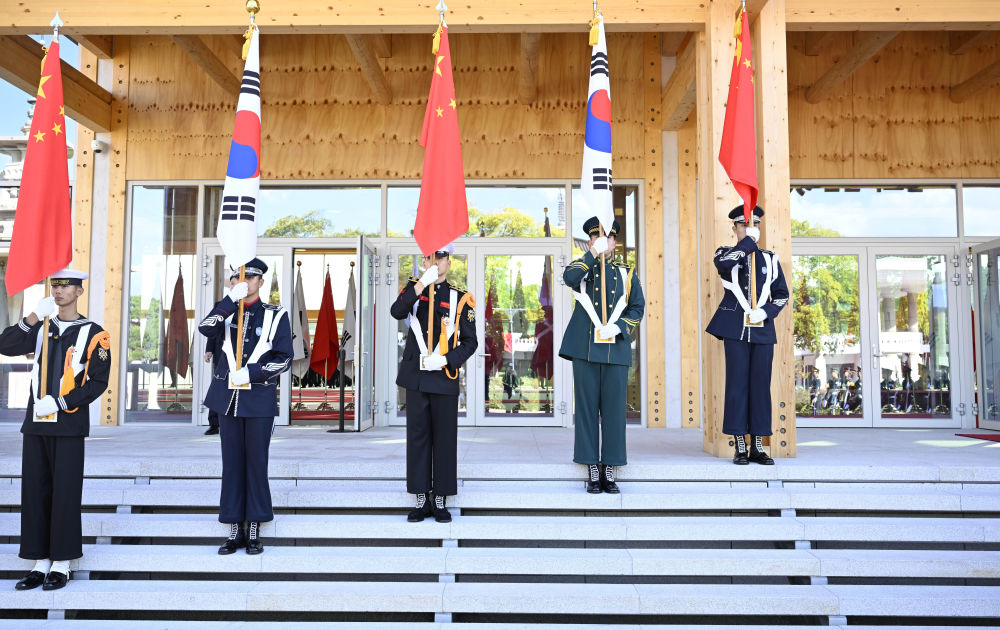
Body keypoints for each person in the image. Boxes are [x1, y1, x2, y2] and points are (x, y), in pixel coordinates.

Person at [0, 268, 111, 591]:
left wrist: (62, 402)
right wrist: (33, 316)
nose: (59, 290)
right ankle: (39, 562)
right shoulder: (41, 326)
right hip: (36, 423)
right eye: (55, 285)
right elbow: (5, 344)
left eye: (66, 286)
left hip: (68, 424)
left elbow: (98, 382)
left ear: (79, 291)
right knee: (34, 493)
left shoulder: (94, 333)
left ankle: (62, 563)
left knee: (65, 493)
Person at [198, 258, 292, 555]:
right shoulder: (224, 312)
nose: (244, 282)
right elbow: (205, 328)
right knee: (231, 465)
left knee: (256, 464)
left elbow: (284, 358)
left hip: (258, 400)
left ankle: (254, 527)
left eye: (250, 278)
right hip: (227, 400)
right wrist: (229, 300)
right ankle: (233, 528)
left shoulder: (276, 314)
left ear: (260, 282)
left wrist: (253, 373)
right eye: (238, 278)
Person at [390, 244, 477, 523]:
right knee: (417, 438)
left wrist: (447, 360)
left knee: (444, 439)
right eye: (431, 257)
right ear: (425, 261)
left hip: (443, 377)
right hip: (416, 377)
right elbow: (396, 311)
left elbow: (471, 342)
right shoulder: (414, 290)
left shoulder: (460, 298)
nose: (436, 261)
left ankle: (440, 498)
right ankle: (420, 498)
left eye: (441, 257)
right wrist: (420, 285)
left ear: (449, 262)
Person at [559, 217, 645, 494]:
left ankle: (609, 465)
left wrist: (619, 327)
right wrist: (592, 253)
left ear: (615, 242)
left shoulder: (626, 273)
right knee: (586, 410)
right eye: (597, 237)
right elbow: (569, 278)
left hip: (615, 348)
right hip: (585, 348)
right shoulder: (583, 267)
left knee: (614, 412)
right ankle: (591, 467)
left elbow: (637, 307)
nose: (603, 241)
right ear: (590, 241)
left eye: (607, 237)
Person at [706, 205, 789, 465]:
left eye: (755, 224)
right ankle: (740, 445)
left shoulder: (770, 259)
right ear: (735, 228)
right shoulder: (726, 253)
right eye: (744, 224)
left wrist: (766, 312)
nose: (751, 228)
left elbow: (782, 294)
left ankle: (758, 445)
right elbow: (724, 264)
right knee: (737, 385)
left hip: (762, 328)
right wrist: (747, 244)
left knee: (761, 387)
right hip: (735, 328)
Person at [202, 276, 237, 436]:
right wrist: (209, 349)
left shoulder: (250, 305)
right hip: (222, 352)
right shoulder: (221, 305)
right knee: (218, 387)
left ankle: (235, 421)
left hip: (242, 354)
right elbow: (212, 329)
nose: (235, 286)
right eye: (233, 283)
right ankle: (214, 423)